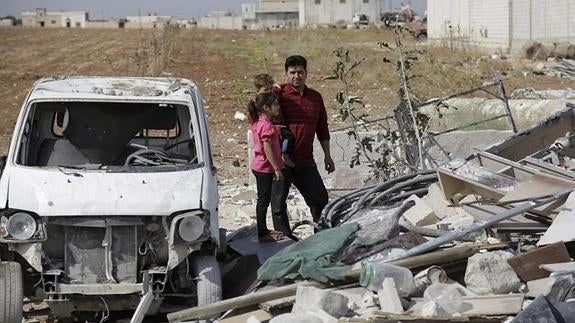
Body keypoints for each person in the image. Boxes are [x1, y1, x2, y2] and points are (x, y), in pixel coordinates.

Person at [277, 55, 335, 226]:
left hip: (305, 161)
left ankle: (321, 238)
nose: (296, 76)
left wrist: (327, 156)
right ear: (286, 74)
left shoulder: (315, 97)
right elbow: (256, 114)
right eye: (292, 72)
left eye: (300, 72)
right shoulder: (278, 94)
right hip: (282, 162)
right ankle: (284, 242)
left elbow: (322, 128)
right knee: (278, 205)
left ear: (306, 73)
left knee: (320, 201)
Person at [248, 91, 296, 242]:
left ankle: (263, 230)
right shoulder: (266, 126)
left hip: (259, 166)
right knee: (263, 201)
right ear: (266, 108)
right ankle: (262, 233)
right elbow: (267, 148)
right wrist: (277, 168)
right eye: (275, 104)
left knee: (264, 199)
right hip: (265, 168)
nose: (278, 107)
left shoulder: (260, 122)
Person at [253, 73, 296, 168]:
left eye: (270, 89)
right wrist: (273, 127)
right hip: (267, 130)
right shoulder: (258, 102)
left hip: (276, 126)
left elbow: (280, 87)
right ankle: (283, 157)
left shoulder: (272, 95)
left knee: (289, 137)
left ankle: (285, 155)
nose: (269, 92)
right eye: (266, 90)